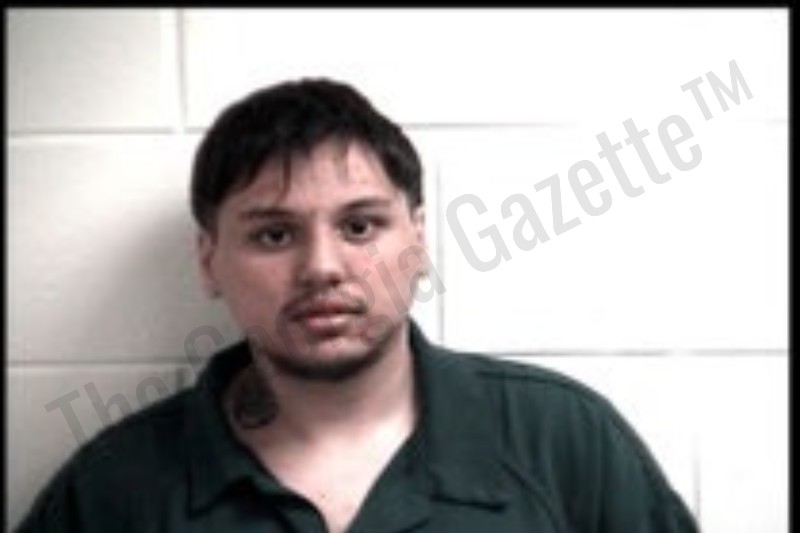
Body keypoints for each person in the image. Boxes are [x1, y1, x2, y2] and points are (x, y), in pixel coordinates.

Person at [15, 78, 700, 533]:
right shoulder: (115, 488)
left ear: (419, 240)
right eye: (274, 234)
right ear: (209, 260)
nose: (322, 267)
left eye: (360, 226)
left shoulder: (563, 439)